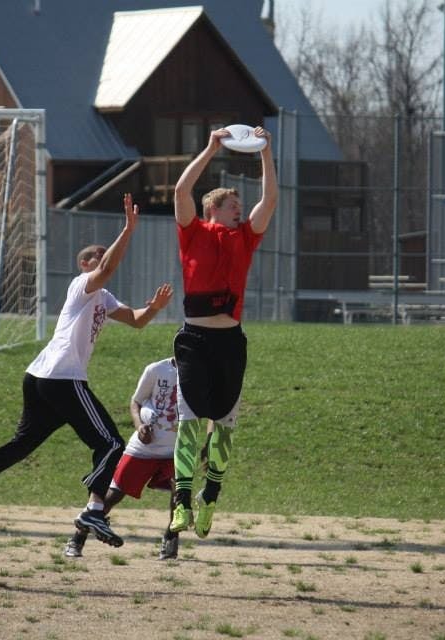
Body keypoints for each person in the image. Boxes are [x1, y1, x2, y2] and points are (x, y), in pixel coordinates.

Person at [0, 193, 173, 549]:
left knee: (22, 444)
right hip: (61, 376)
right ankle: (93, 508)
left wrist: (152, 307)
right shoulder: (81, 286)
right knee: (110, 443)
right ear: (84, 265)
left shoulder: (103, 299)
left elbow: (137, 321)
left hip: (41, 377)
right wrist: (127, 229)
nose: (102, 259)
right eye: (95, 256)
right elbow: (106, 267)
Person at [170, 126, 278, 539]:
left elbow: (270, 200)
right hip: (194, 340)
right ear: (213, 208)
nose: (241, 208)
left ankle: (209, 495)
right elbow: (182, 190)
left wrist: (265, 152)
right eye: (234, 204)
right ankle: (181, 503)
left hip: (230, 342)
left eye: (240, 205)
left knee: (225, 425)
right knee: (190, 422)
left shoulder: (245, 238)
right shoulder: (193, 231)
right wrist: (211, 147)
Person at [64, 356, 182, 561]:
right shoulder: (156, 369)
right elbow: (136, 402)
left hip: (175, 449)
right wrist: (139, 426)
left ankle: (171, 538)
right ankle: (77, 538)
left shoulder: (198, 372)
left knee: (179, 490)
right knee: (114, 494)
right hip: (143, 448)